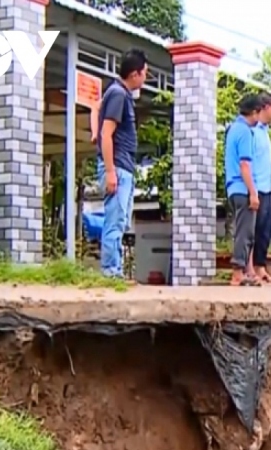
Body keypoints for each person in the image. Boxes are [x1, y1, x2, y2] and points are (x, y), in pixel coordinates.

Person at [97, 48, 147, 278]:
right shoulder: (118, 94)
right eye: (145, 73)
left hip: (123, 166)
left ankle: (113, 270)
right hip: (117, 166)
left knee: (121, 221)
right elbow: (107, 133)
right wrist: (110, 171)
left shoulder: (118, 93)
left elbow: (96, 107)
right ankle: (110, 271)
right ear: (135, 74)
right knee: (115, 220)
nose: (145, 78)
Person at [224, 94, 263, 286]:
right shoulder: (245, 132)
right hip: (242, 187)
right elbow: (245, 165)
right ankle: (238, 271)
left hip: (233, 188)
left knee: (243, 229)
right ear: (254, 113)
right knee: (245, 232)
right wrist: (253, 192)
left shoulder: (232, 129)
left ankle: (245, 271)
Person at [246, 94, 271, 283]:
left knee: (265, 230)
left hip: (267, 189)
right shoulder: (252, 131)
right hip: (256, 188)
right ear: (265, 108)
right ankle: (250, 268)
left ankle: (260, 267)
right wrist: (253, 190)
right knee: (254, 230)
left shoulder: (265, 131)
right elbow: (249, 162)